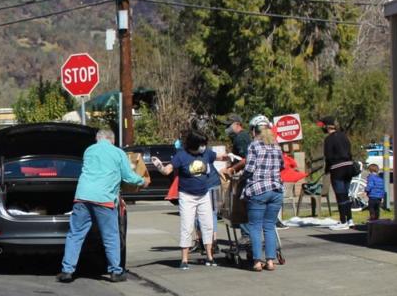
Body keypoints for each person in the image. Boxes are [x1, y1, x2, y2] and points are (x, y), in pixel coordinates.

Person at [58, 128, 146, 283]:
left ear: (98, 139)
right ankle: (115, 272)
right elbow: (128, 176)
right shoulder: (118, 153)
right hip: (104, 199)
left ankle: (67, 270)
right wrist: (142, 181)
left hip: (82, 197)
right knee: (111, 236)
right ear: (112, 140)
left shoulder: (88, 151)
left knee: (75, 234)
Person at [152, 124, 220, 269]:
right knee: (187, 226)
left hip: (204, 194)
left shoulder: (206, 153)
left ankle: (210, 256)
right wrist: (159, 166)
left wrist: (232, 156)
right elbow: (167, 170)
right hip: (187, 196)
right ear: (194, 144)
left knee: (208, 225)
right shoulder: (181, 156)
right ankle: (184, 259)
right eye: (201, 144)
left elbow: (218, 156)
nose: (204, 147)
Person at [229, 115, 283, 271]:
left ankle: (257, 261)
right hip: (276, 190)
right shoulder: (276, 146)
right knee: (270, 226)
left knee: (254, 226)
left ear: (254, 130)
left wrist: (241, 178)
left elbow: (250, 168)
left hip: (258, 191)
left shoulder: (254, 146)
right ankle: (271, 261)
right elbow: (281, 166)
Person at [322, 115, 356, 227]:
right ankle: (350, 219)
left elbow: (328, 156)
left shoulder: (328, 140)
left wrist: (327, 170)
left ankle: (343, 220)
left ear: (327, 127)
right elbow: (350, 152)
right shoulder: (344, 136)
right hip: (349, 167)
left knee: (340, 195)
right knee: (346, 194)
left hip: (337, 169)